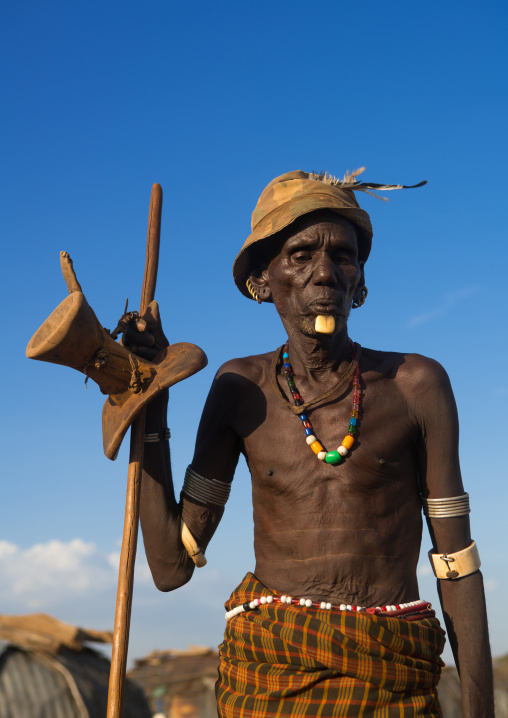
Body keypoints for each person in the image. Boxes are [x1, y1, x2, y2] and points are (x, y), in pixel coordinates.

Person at [128, 170, 494, 717]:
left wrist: (481, 710)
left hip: (390, 681)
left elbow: (457, 564)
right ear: (262, 281)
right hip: (269, 679)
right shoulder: (239, 389)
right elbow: (170, 568)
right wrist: (149, 399)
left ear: (361, 281)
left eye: (342, 256)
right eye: (300, 255)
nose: (324, 272)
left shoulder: (416, 385)